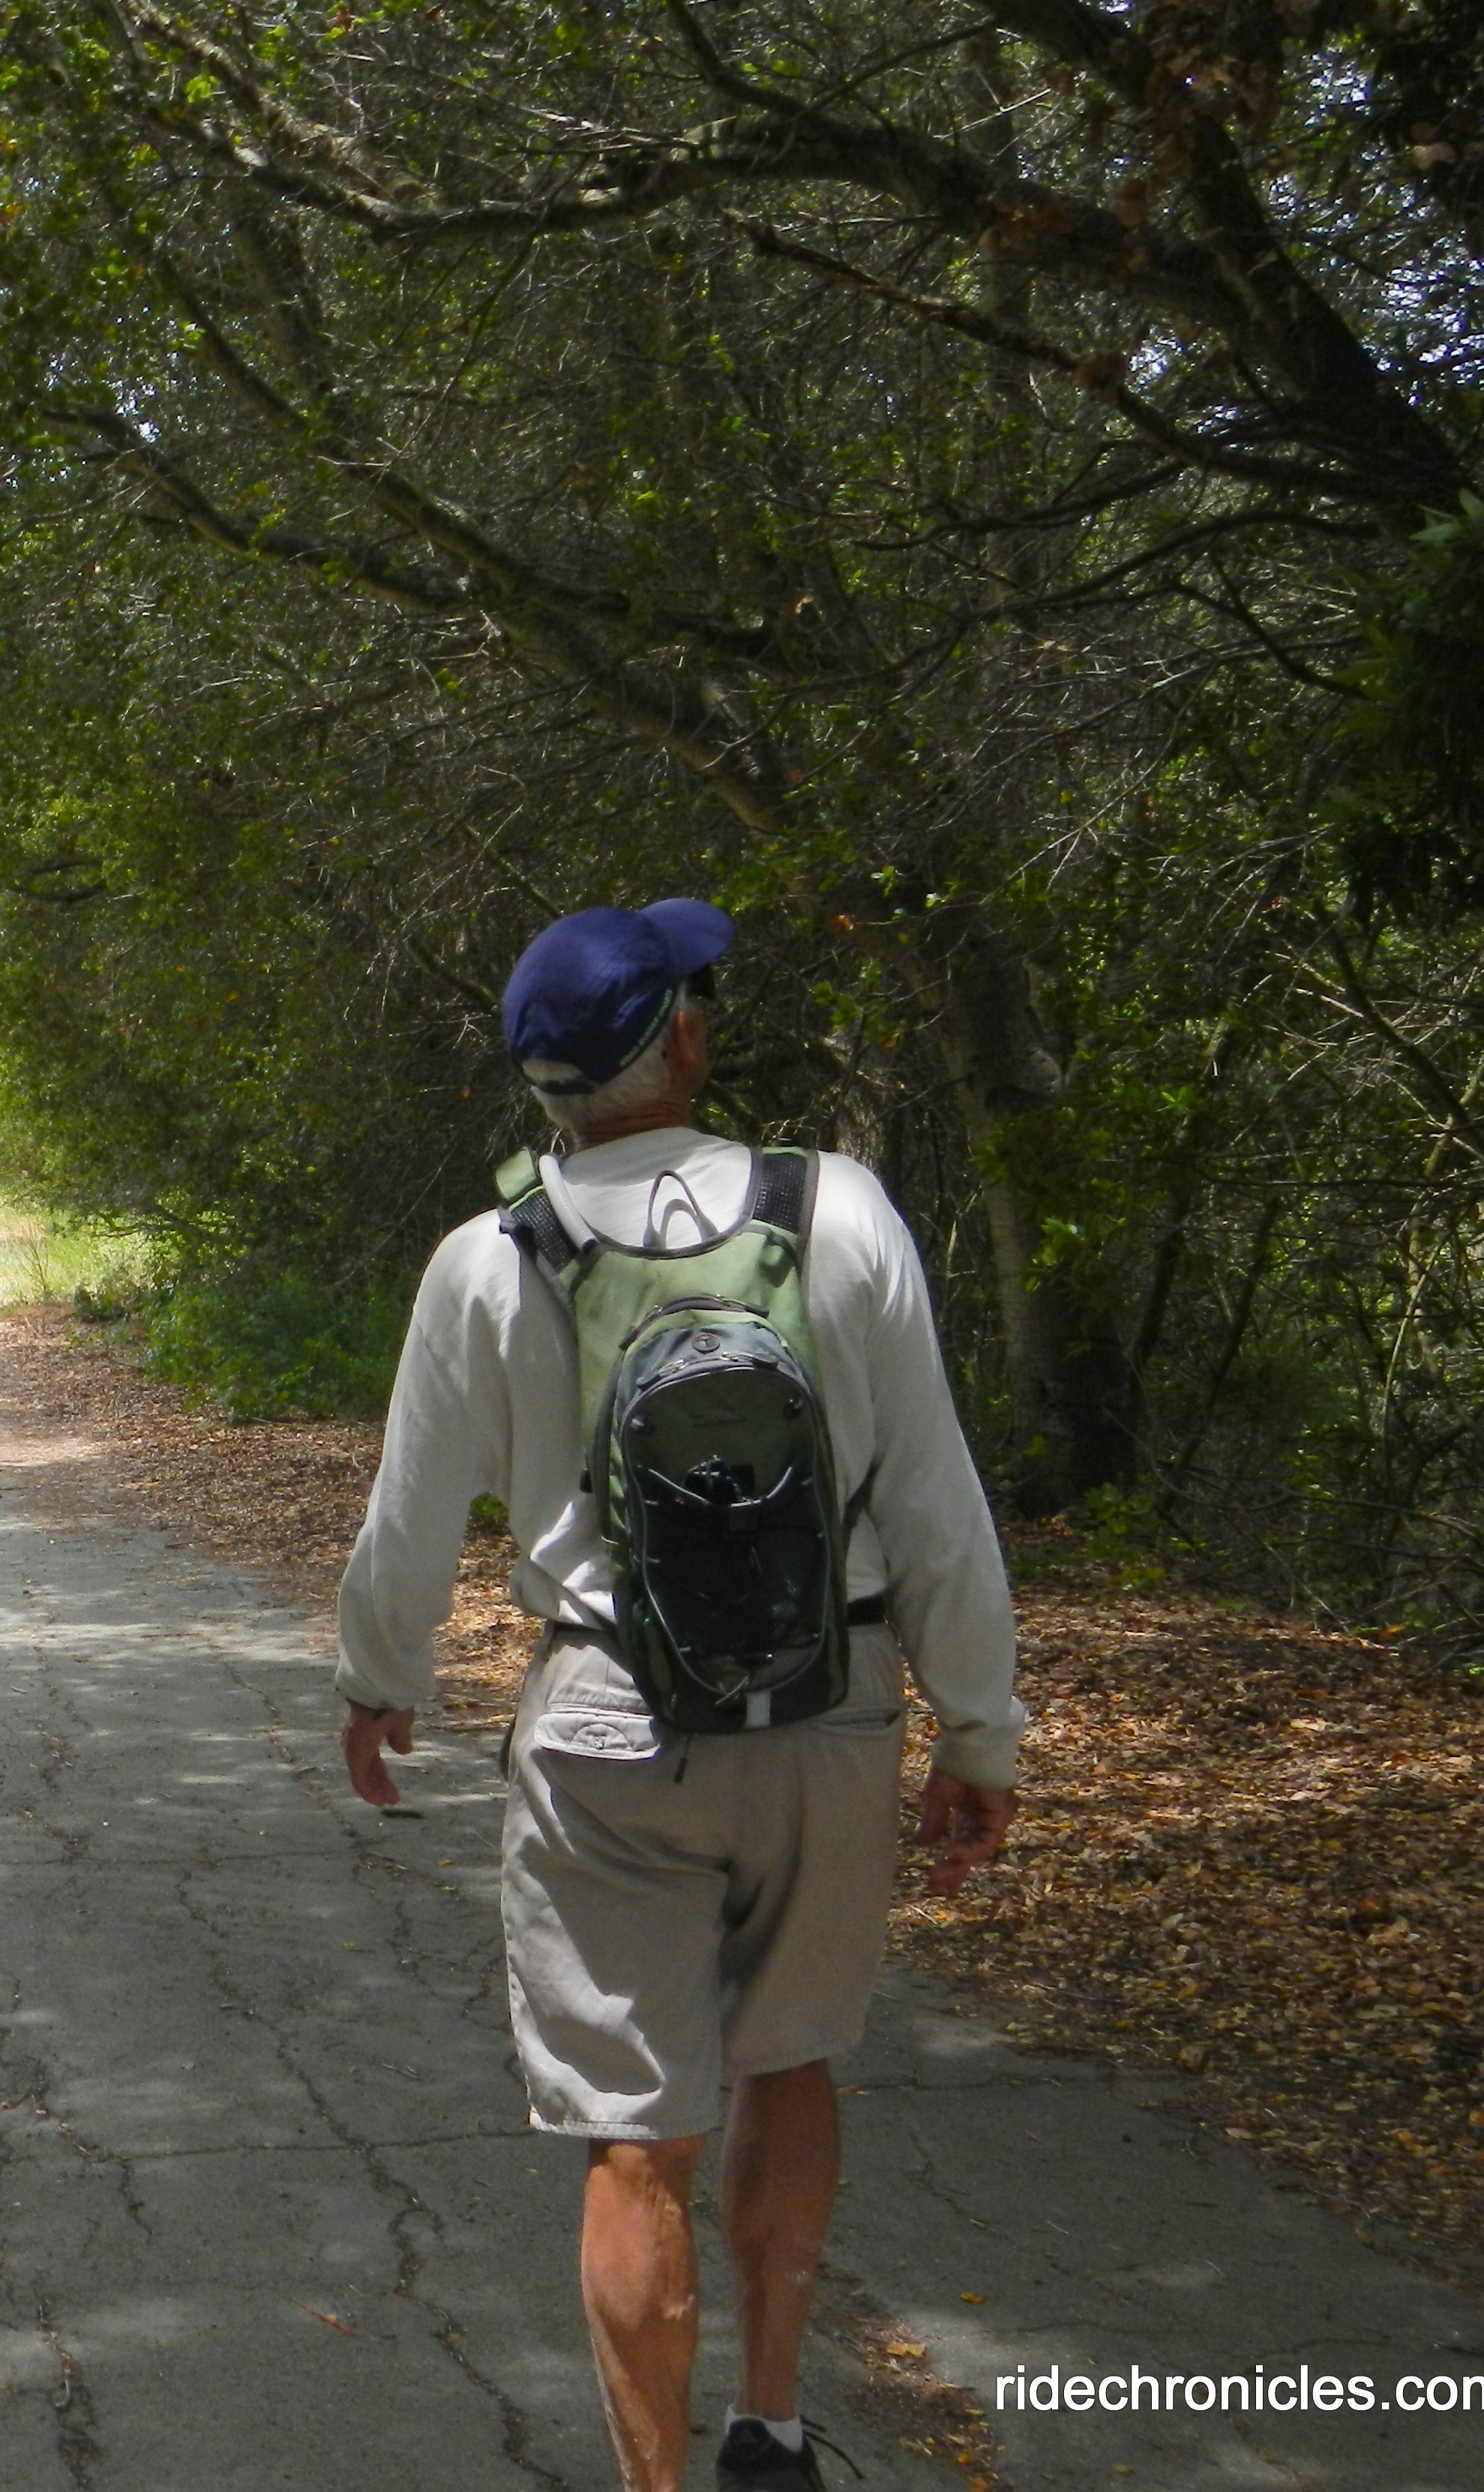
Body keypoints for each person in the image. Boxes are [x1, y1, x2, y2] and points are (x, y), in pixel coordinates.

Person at [333, 898, 1021, 2492]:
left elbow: (408, 1519)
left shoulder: (486, 1260)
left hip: (605, 1725)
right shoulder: (839, 1211)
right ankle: (770, 2426)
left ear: (546, 1083)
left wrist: (380, 1679)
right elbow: (938, 1502)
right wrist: (979, 1728)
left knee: (636, 2138)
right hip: (831, 1705)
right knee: (789, 2061)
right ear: (688, 1042)